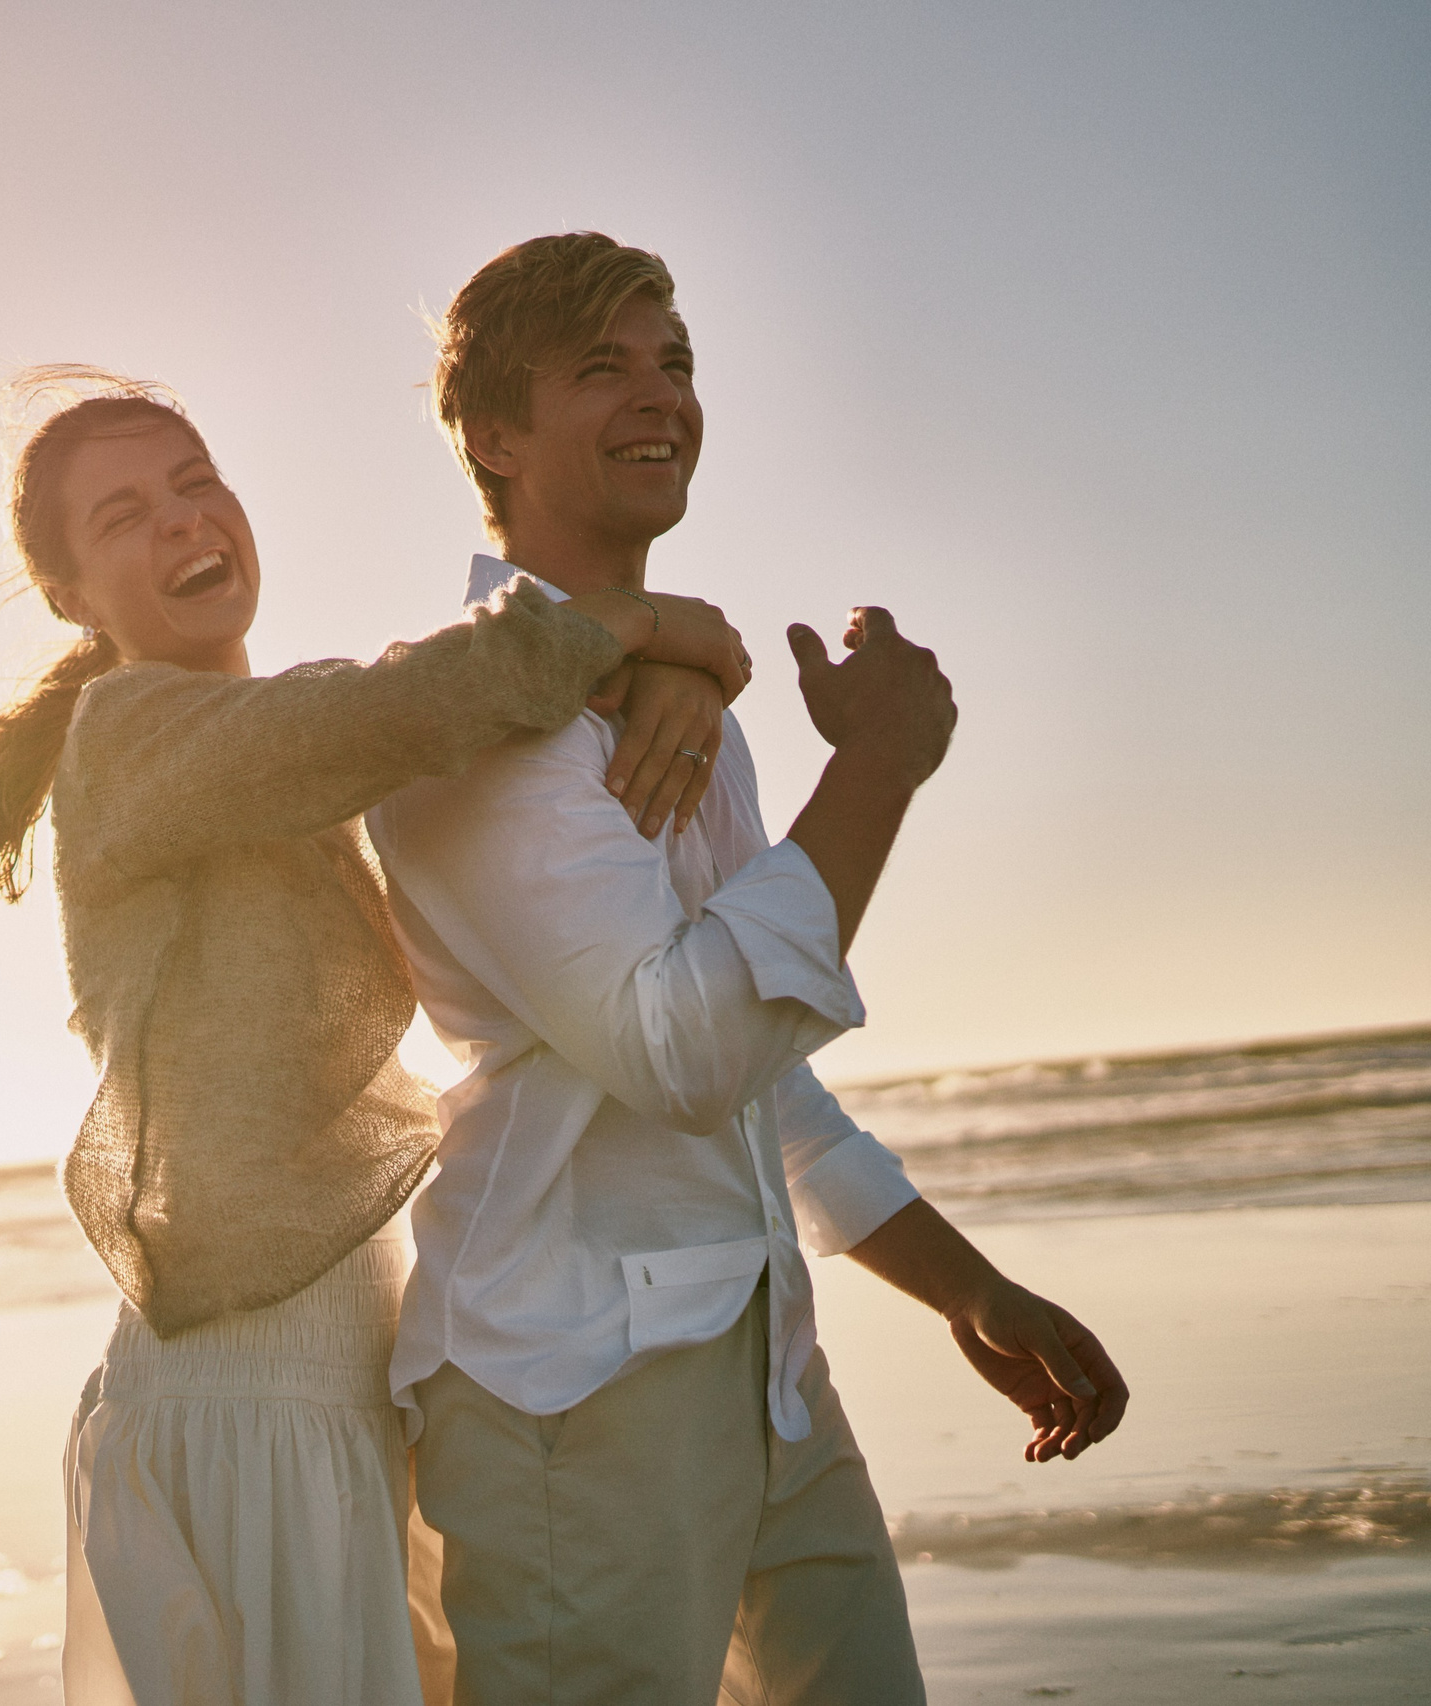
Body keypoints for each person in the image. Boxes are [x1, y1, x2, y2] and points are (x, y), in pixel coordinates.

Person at [0, 368, 756, 1706]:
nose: (185, 524)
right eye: (126, 516)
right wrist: (656, 626)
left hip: (343, 1380)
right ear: (69, 594)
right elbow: (402, 705)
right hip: (244, 1404)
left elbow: (400, 710)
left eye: (196, 484)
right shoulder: (130, 733)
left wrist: (659, 671)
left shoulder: (264, 743)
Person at [365, 234, 1132, 1704]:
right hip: (565, 1407)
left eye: (678, 362)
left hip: (768, 1368)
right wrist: (881, 772)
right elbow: (681, 1049)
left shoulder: (685, 702)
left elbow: (761, 1087)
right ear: (495, 438)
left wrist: (968, 1288)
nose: (662, 393)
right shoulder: (463, 717)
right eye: (606, 366)